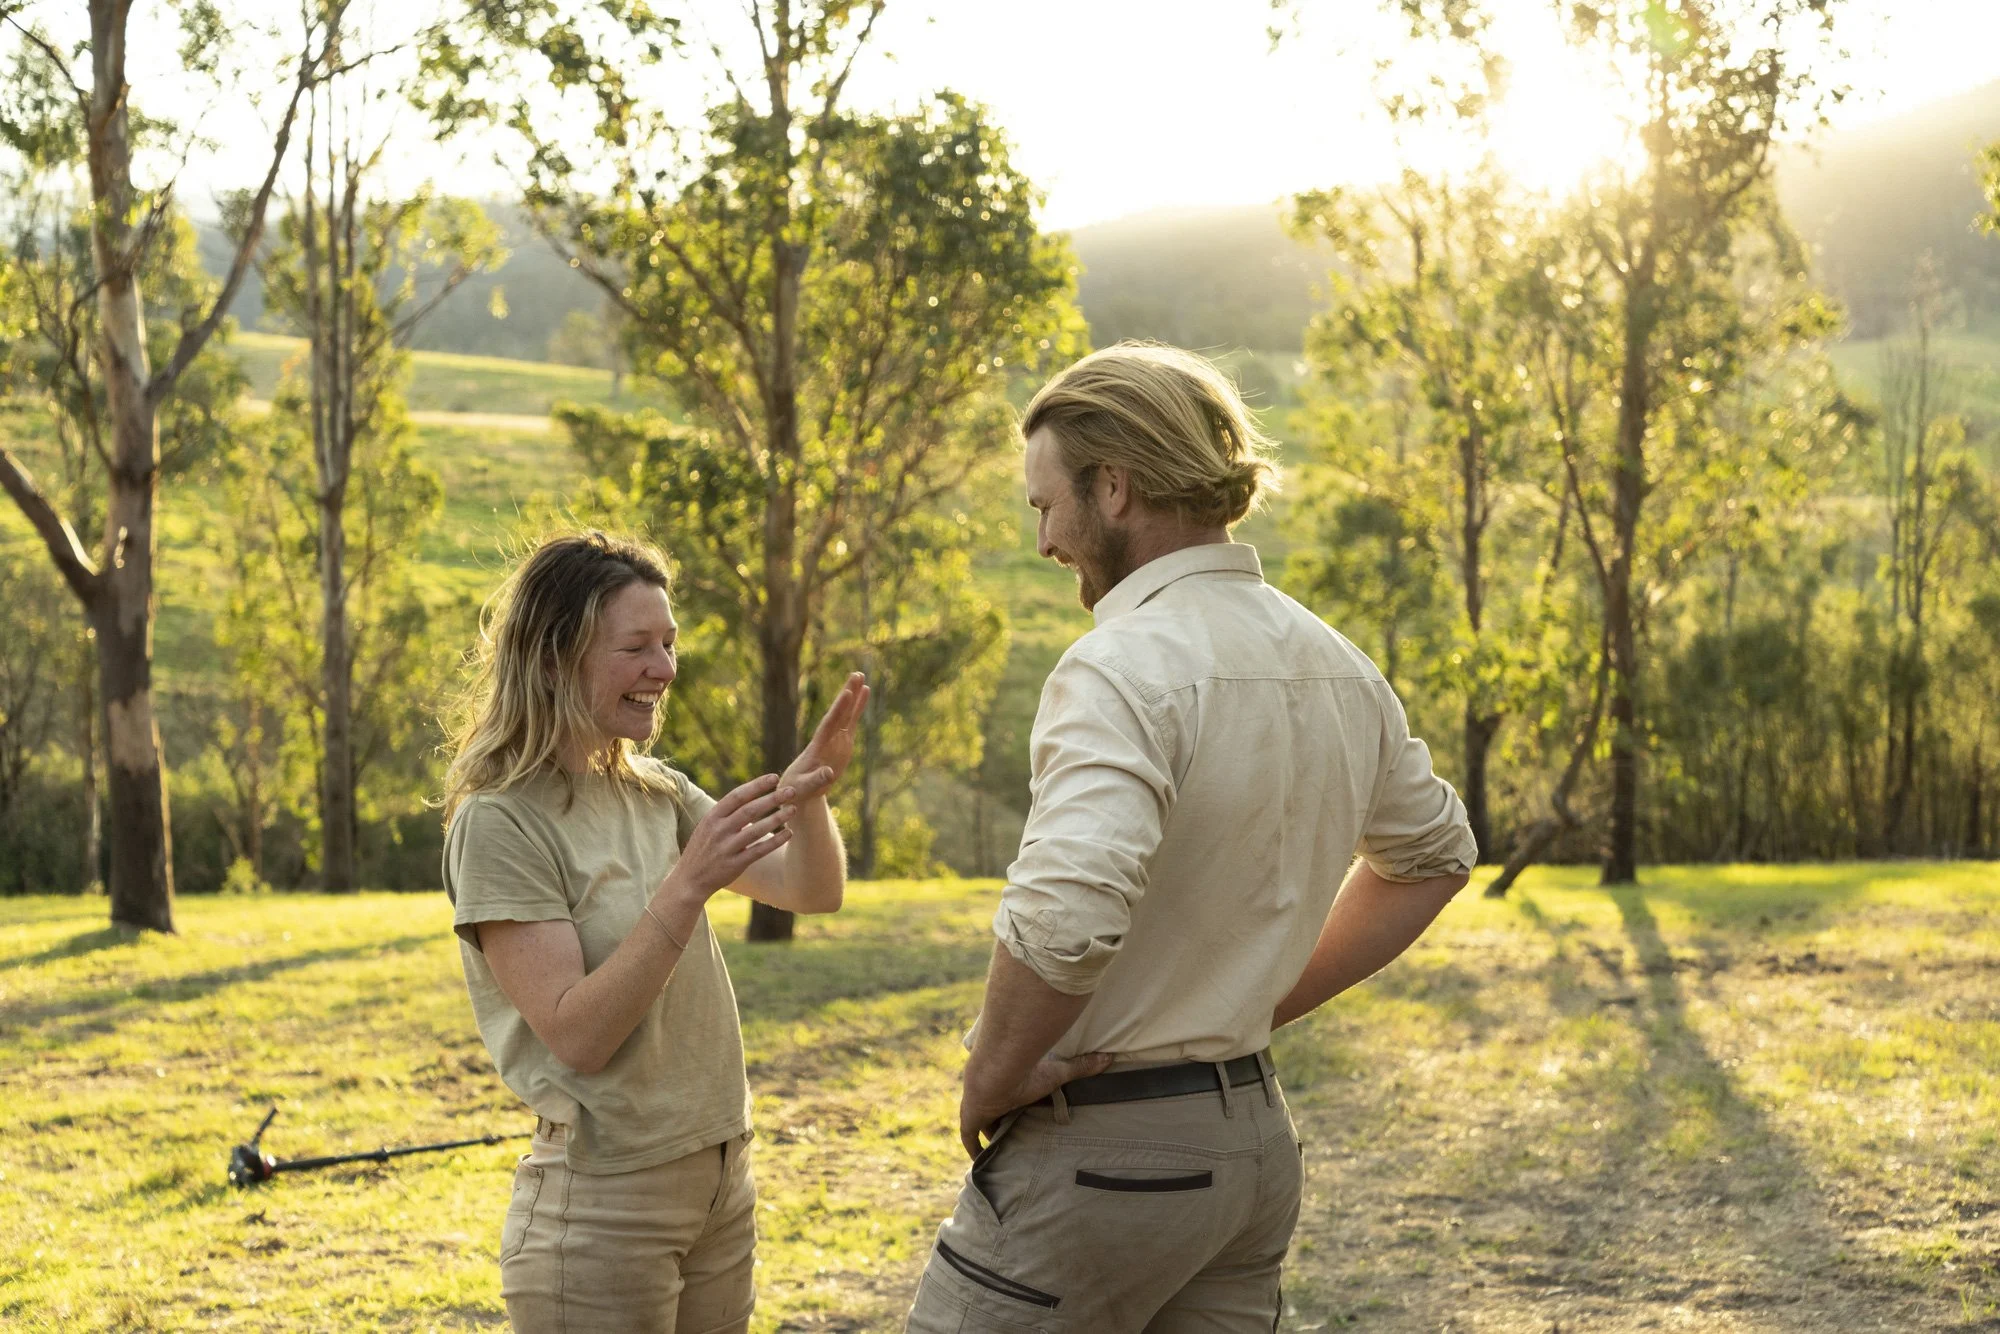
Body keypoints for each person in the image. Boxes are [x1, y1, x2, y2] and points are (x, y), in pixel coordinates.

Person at [904, 344, 1477, 1333]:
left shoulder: (1118, 664)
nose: (1042, 538)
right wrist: (1252, 999)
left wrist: (991, 1072)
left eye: (1043, 505)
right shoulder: (1332, 660)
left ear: (1112, 488)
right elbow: (1432, 856)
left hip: (1106, 1162)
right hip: (1250, 1147)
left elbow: (1065, 916)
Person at [440, 531, 868, 1334]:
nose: (665, 670)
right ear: (554, 658)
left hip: (719, 1180)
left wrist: (809, 796)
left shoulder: (654, 791)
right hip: (603, 1209)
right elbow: (578, 1034)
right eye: (637, 647)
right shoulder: (501, 824)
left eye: (669, 644)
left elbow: (812, 890)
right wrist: (687, 886)